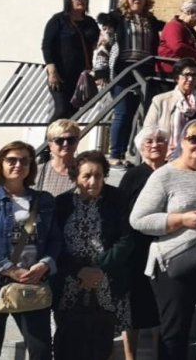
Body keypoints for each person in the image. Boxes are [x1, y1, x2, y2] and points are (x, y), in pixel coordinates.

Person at [129, 121, 196, 360]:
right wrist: (181, 220)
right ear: (181, 141)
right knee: (175, 332)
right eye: (193, 139)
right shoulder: (164, 175)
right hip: (174, 263)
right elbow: (138, 219)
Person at [0, 140, 60, 360]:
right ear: (0, 164)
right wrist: (9, 269)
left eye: (24, 161)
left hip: (32, 281)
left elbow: (55, 241)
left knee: (41, 348)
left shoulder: (43, 200)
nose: (18, 165)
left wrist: (45, 264)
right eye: (12, 160)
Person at [53, 151, 133, 357]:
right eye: (86, 176)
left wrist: (99, 269)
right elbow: (55, 244)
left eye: (98, 175)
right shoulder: (61, 204)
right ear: (75, 178)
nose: (93, 181)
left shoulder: (117, 199)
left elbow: (126, 239)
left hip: (107, 280)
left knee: (101, 344)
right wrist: (80, 270)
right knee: (68, 344)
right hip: (70, 281)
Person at [118, 125, 170, 360]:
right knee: (134, 307)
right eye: (149, 141)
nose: (155, 144)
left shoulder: (173, 171)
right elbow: (121, 211)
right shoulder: (133, 175)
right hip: (137, 248)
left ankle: (159, 353)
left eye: (160, 140)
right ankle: (131, 356)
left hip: (166, 244)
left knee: (163, 304)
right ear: (140, 147)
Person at [105, 0, 163, 167]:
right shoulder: (117, 19)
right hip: (124, 69)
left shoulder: (151, 21)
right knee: (122, 112)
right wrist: (100, 72)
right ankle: (115, 154)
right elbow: (103, 45)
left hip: (145, 71)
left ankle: (134, 155)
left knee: (139, 114)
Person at [42, 0, 100, 120]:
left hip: (80, 76)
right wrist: (51, 69)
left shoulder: (90, 22)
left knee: (74, 114)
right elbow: (47, 45)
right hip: (61, 75)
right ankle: (49, 141)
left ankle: (65, 140)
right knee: (62, 110)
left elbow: (94, 44)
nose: (82, 0)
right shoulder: (58, 20)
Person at [142, 58, 196, 153]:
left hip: (192, 154)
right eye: (186, 75)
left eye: (194, 75)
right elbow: (148, 130)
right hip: (165, 154)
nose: (190, 79)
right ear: (176, 77)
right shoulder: (161, 100)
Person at [158, 0, 196, 76]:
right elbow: (178, 47)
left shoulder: (188, 28)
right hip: (172, 71)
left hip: (187, 70)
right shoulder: (173, 26)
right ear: (189, 12)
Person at [37, 118, 79, 196]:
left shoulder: (85, 172)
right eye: (59, 140)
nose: (65, 144)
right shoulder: (37, 172)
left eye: (71, 140)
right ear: (50, 145)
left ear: (77, 142)